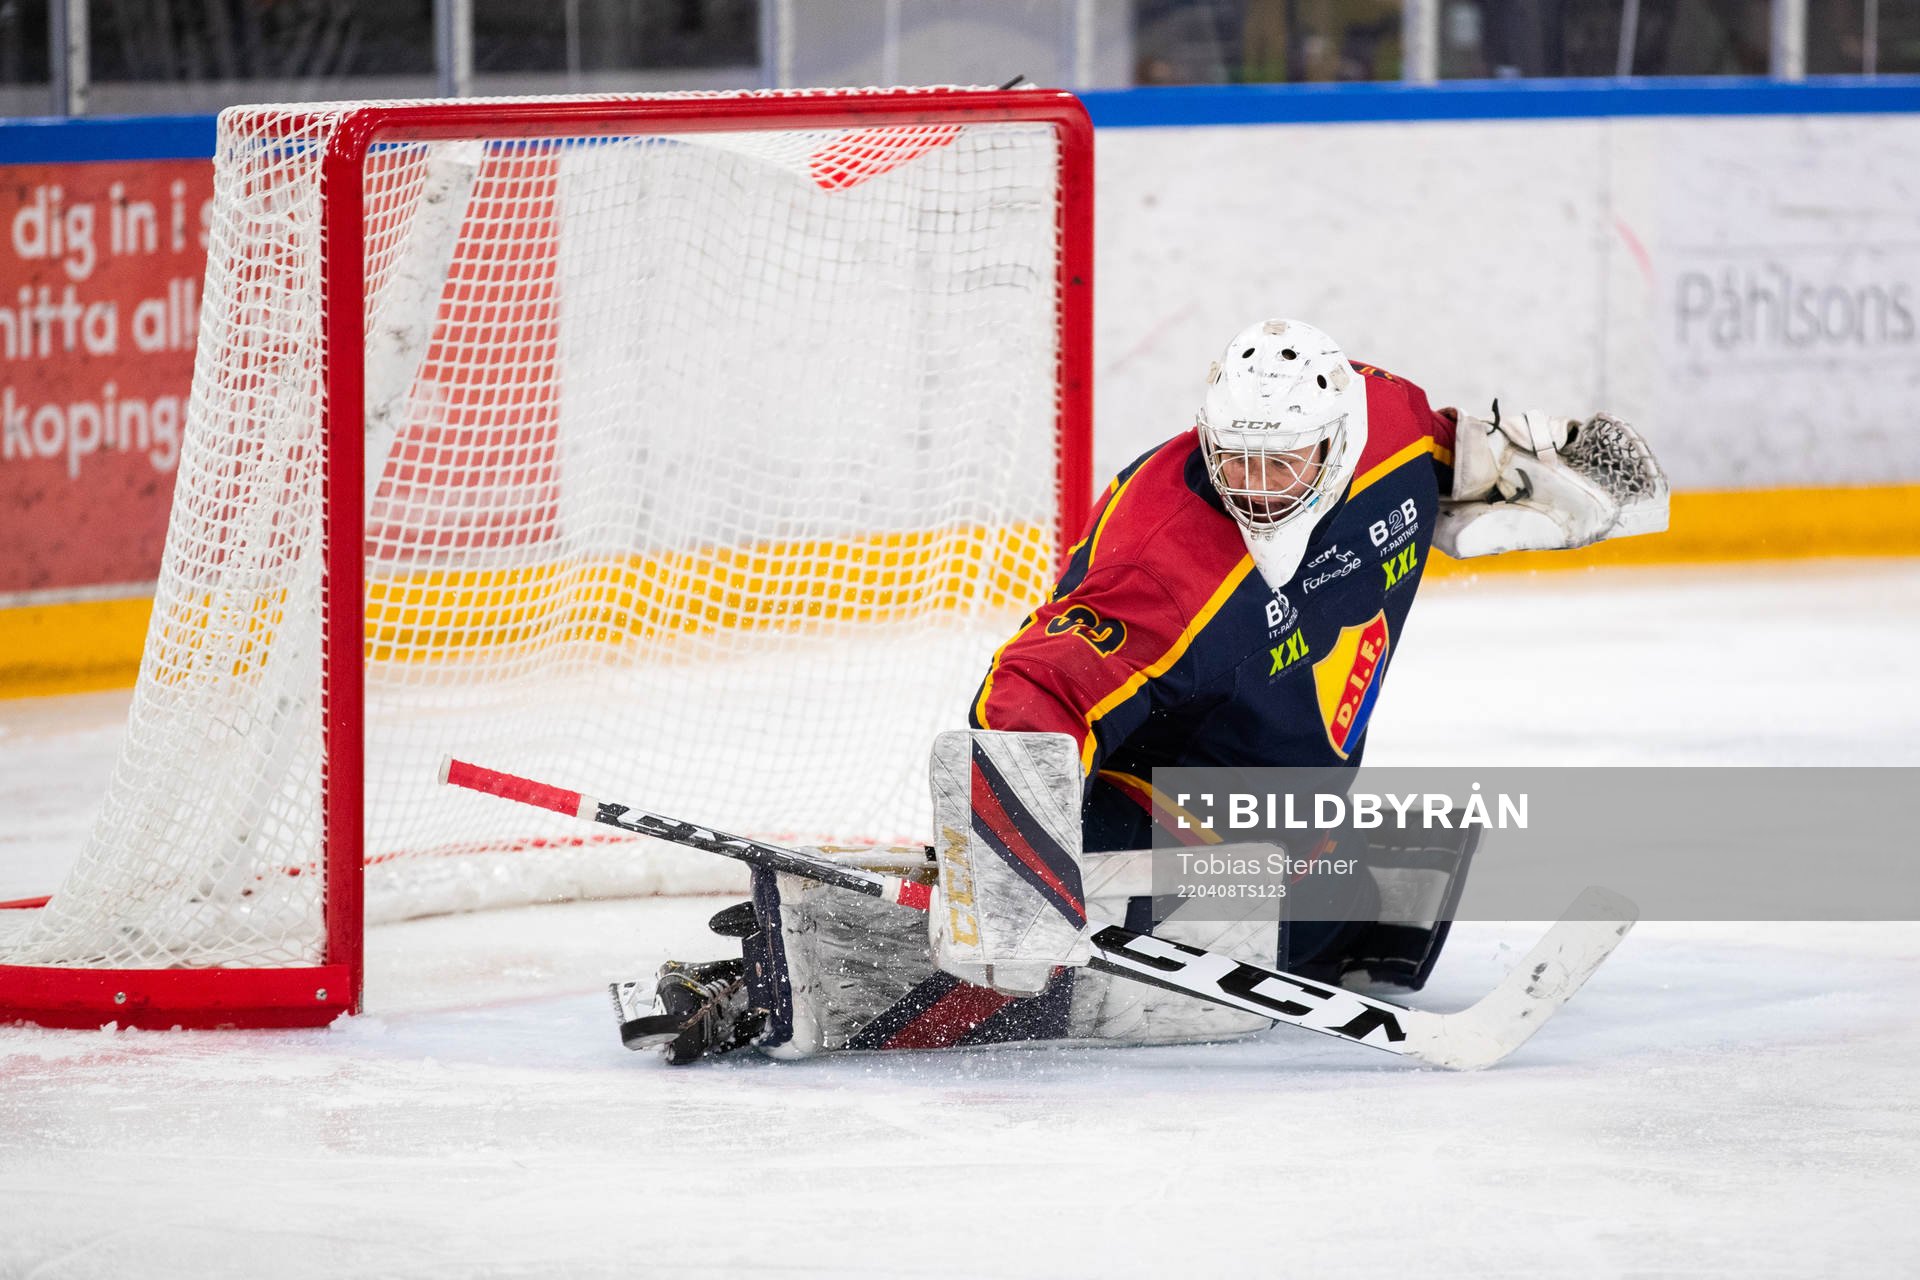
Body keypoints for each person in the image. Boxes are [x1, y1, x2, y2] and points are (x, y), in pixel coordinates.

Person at [619, 317, 1667, 1063]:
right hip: (1147, 787)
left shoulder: (1386, 425)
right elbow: (1024, 689)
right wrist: (1020, 869)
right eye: (1236, 460)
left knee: (1379, 882)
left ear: (1339, 443)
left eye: (1284, 463)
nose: (1256, 485)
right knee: (1213, 934)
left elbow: (1456, 452)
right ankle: (784, 981)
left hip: (1276, 785)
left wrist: (1543, 470)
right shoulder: (1167, 562)